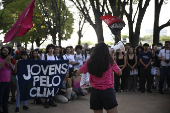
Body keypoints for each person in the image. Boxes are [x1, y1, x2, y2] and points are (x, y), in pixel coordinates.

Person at [76, 42, 122, 113]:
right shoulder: (110, 61)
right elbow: (119, 73)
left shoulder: (90, 61)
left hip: (95, 92)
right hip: (108, 91)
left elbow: (79, 71)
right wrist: (112, 59)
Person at [0, 47, 14, 113]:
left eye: (7, 51)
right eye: (4, 50)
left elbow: (12, 68)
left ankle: (5, 111)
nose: (6, 52)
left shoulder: (8, 59)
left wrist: (9, 61)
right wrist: (6, 59)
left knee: (5, 99)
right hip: (1, 82)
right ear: (1, 51)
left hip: (7, 82)